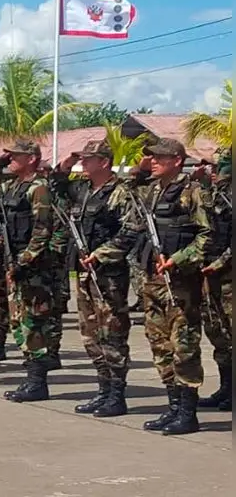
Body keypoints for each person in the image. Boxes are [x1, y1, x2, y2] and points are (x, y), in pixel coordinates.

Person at [98, 139, 210, 435]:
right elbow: (124, 192)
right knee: (160, 346)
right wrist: (138, 170)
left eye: (159, 157)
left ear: (177, 160)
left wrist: (179, 259)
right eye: (152, 157)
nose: (153, 161)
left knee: (183, 347)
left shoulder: (192, 192)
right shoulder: (151, 190)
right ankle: (173, 407)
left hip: (180, 282)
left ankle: (188, 413)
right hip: (152, 279)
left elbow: (206, 236)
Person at [56, 141, 133, 417]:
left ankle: (117, 394)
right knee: (90, 335)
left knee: (112, 333)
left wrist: (101, 254)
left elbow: (131, 230)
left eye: (88, 160)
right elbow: (58, 190)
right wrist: (63, 168)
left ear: (103, 162)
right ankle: (103, 390)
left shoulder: (119, 192)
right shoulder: (84, 190)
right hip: (86, 273)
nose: (83, 164)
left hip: (108, 274)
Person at [0, 141, 57, 403]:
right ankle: (31, 377)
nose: (10, 159)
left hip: (32, 269)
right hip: (15, 263)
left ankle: (38, 382)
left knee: (34, 323)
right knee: (19, 323)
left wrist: (23, 261)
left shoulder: (39, 188)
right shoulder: (14, 186)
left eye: (16, 156)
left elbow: (42, 230)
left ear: (32, 159)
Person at [198, 148, 232, 412]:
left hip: (228, 274)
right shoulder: (214, 192)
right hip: (211, 273)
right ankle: (226, 388)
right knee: (217, 333)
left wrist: (218, 264)